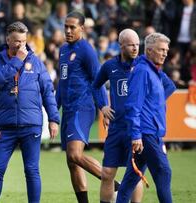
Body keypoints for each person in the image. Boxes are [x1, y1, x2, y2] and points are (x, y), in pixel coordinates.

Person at [0, 21, 59, 203]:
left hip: (31, 125)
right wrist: (17, 60)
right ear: (8, 39)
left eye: (24, 41)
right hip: (6, 126)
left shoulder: (36, 62)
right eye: (17, 41)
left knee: (32, 170)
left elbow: (47, 91)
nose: (21, 45)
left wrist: (53, 118)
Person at [55, 11, 113, 203]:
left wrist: (103, 107)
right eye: (66, 27)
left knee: (75, 154)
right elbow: (61, 84)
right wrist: (54, 113)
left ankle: (117, 186)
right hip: (68, 110)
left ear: (82, 28)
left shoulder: (86, 50)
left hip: (83, 107)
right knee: (71, 162)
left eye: (73, 27)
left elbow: (98, 80)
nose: (69, 30)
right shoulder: (63, 50)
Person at [116, 33, 176, 203]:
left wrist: (154, 103)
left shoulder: (155, 71)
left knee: (130, 180)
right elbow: (132, 105)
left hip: (152, 132)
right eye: (161, 50)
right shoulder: (142, 71)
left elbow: (170, 87)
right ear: (149, 51)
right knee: (164, 172)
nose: (165, 53)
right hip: (145, 132)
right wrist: (136, 134)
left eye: (166, 50)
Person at [92, 29, 143, 203]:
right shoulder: (109, 66)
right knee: (107, 174)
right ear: (121, 46)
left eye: (137, 44)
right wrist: (103, 105)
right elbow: (95, 85)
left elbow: (164, 88)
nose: (135, 48)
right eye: (131, 45)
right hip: (115, 129)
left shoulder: (144, 66)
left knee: (134, 174)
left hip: (136, 130)